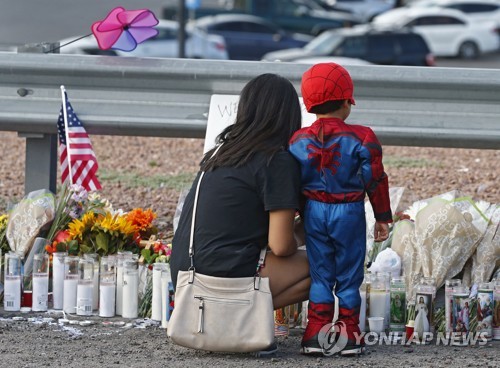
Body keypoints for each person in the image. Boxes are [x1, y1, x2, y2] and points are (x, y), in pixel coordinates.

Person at [170, 73, 310, 355]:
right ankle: (238, 325)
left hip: (185, 272)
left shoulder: (220, 152)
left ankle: (227, 323)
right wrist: (307, 229)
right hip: (220, 271)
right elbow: (281, 246)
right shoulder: (276, 160)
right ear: (289, 115)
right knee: (326, 268)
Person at [288, 62, 392, 356]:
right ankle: (348, 332)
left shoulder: (296, 141)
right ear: (348, 102)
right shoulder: (363, 137)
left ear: (309, 104)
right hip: (348, 212)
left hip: (313, 212)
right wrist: (383, 216)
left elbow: (291, 183)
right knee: (349, 274)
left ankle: (314, 334)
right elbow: (375, 179)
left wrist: (299, 211)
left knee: (321, 274)